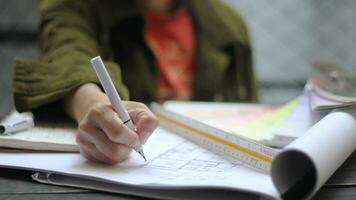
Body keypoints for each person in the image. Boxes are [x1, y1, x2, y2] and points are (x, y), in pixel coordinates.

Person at [13, 0, 258, 164]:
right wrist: (93, 104)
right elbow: (68, 55)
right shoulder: (75, 6)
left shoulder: (227, 24)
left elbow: (248, 116)